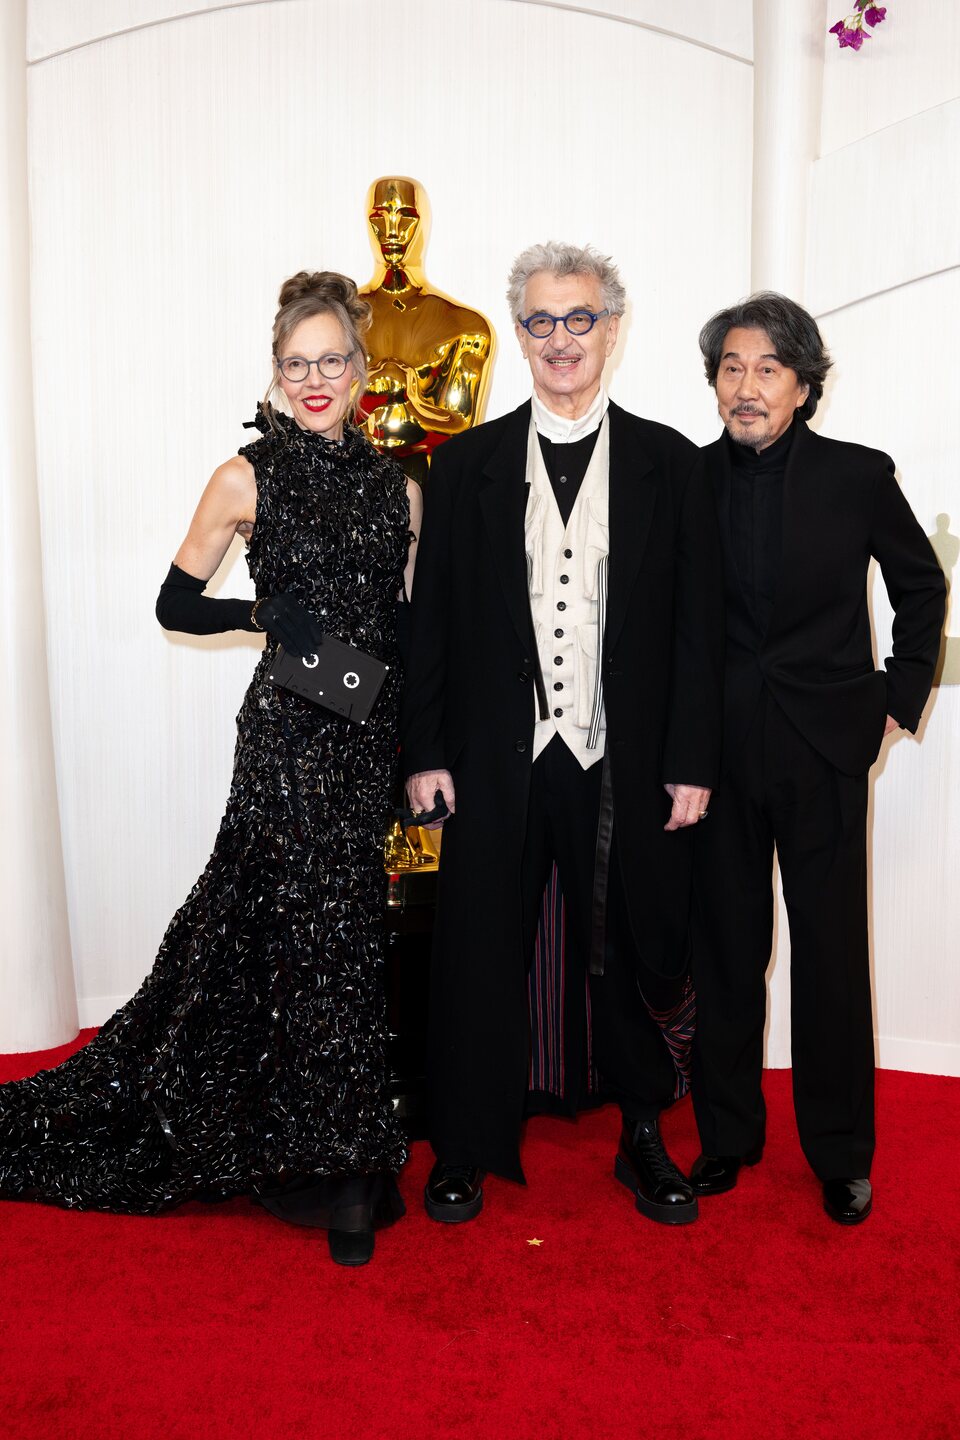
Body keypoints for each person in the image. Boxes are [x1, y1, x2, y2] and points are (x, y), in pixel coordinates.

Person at [0, 271, 422, 1266]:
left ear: (364, 372)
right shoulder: (246, 475)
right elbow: (173, 605)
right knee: (304, 934)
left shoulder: (400, 486)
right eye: (295, 363)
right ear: (276, 376)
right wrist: (256, 612)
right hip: (285, 741)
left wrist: (415, 743)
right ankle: (340, 1176)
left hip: (368, 739)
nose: (315, 378)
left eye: (332, 360)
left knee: (351, 936)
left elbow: (409, 627)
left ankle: (332, 1147)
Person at [402, 242, 723, 1226]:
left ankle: (642, 1140)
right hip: (497, 759)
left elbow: (697, 628)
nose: (560, 339)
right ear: (521, 336)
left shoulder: (671, 462)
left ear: (612, 330)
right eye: (540, 321)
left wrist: (690, 763)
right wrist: (422, 751)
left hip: (618, 759)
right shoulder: (462, 467)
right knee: (478, 949)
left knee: (628, 950)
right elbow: (432, 624)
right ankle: (464, 1144)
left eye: (578, 318)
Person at [689, 291, 945, 1225]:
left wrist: (895, 698)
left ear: (804, 384)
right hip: (713, 757)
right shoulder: (686, 480)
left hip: (826, 749)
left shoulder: (858, 476)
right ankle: (726, 1138)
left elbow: (922, 588)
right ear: (714, 382)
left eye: (767, 370)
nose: (746, 388)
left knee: (832, 956)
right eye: (731, 369)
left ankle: (840, 1153)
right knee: (726, 950)